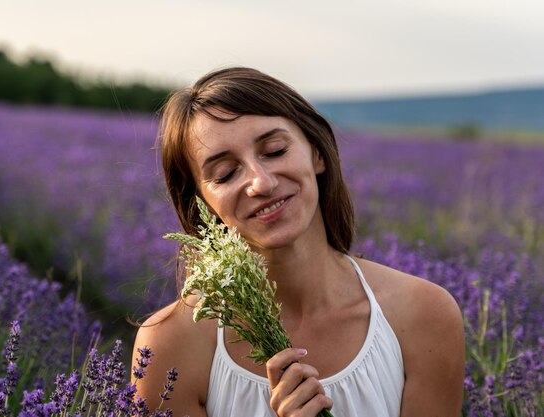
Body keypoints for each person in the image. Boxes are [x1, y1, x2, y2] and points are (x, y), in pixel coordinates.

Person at [132, 67, 465, 417]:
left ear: (316, 153)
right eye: (225, 174)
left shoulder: (424, 315)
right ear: (201, 203)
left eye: (274, 151)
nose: (260, 183)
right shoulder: (169, 347)